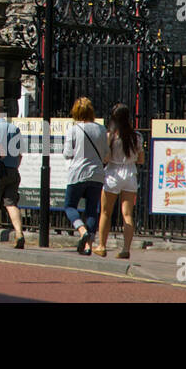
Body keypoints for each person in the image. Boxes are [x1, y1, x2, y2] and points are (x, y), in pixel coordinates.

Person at [95, 102, 144, 258]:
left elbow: (106, 158)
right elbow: (141, 159)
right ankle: (126, 249)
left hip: (113, 172)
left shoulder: (110, 135)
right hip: (130, 173)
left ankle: (102, 246)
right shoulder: (136, 136)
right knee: (127, 214)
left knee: (105, 212)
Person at [62, 96, 109, 255]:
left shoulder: (74, 130)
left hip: (77, 173)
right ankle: (88, 246)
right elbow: (105, 155)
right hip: (96, 173)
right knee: (91, 210)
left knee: (69, 206)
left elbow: (67, 153)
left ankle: (82, 231)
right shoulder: (101, 129)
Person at [0, 100, 25, 249]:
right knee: (11, 203)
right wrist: (14, 166)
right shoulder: (14, 129)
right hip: (13, 170)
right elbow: (20, 154)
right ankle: (19, 233)